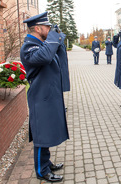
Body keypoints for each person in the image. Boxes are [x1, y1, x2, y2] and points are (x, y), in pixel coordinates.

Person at [20, 12, 69, 182]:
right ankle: (42, 171)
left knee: (47, 132)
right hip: (40, 97)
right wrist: (53, 38)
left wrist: (59, 41)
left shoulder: (42, 44)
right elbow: (47, 56)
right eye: (47, 27)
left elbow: (59, 59)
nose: (49, 29)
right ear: (38, 28)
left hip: (48, 94)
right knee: (41, 135)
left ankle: (47, 163)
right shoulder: (29, 47)